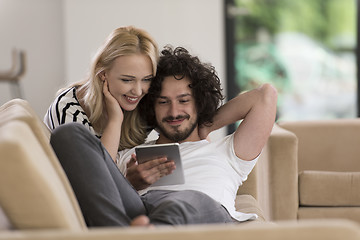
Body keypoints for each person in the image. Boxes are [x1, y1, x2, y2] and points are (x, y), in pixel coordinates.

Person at [49, 46, 277, 227]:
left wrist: (205, 125)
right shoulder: (131, 153)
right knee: (68, 134)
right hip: (139, 211)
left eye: (184, 100)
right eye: (163, 102)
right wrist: (130, 183)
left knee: (181, 203)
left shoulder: (229, 152)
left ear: (200, 102)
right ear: (150, 107)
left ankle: (147, 232)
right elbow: (103, 188)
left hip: (198, 211)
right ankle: (128, 233)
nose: (174, 112)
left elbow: (265, 96)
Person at [44, 26, 166, 163]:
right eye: (127, 80)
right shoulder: (68, 109)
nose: (138, 91)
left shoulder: (144, 100)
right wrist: (115, 121)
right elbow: (95, 177)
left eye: (146, 79)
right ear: (103, 74)